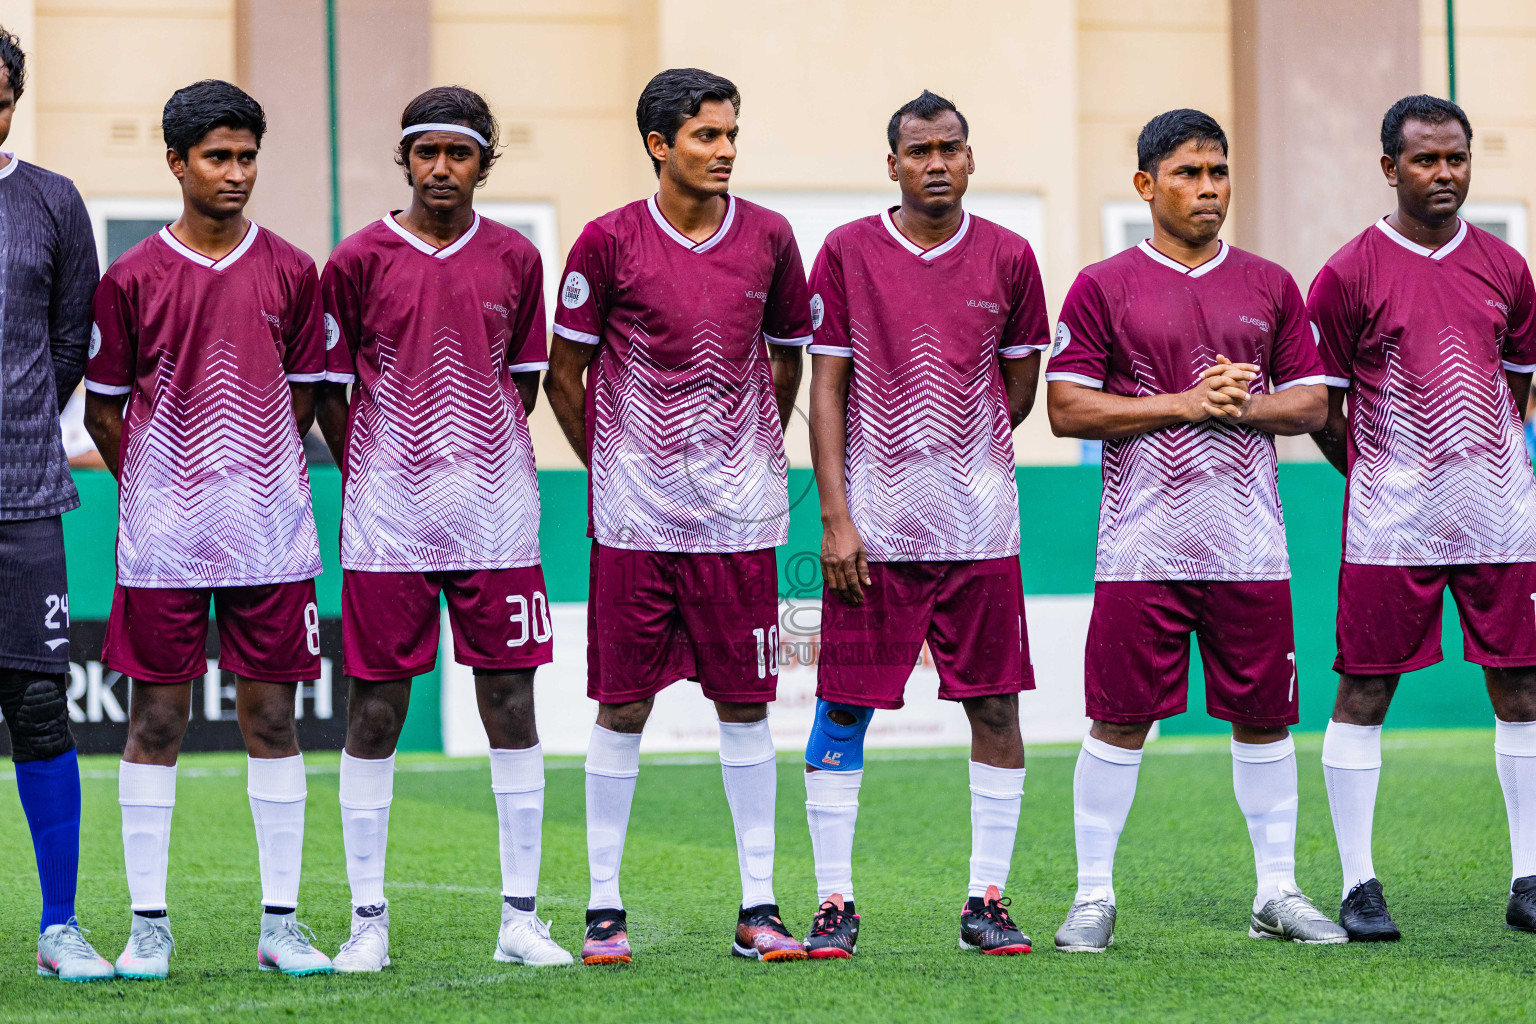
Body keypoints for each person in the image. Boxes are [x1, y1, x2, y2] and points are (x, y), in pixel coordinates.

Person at [1046, 109, 1345, 952]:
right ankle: (1093, 896)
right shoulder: (1104, 286)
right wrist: (1185, 402)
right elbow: (1066, 407)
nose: (1208, 188)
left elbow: (1313, 400)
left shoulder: (1269, 283)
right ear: (1146, 185)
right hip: (1140, 549)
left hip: (1251, 547)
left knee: (1264, 719)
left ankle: (1277, 891)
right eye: (1188, 173)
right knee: (1118, 720)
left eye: (1218, 172)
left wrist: (1240, 404)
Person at [544, 67, 812, 965]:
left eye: (731, 134)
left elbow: (785, 362)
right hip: (633, 527)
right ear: (660, 144)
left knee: (746, 705)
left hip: (739, 525)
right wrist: (622, 468)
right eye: (706, 135)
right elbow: (563, 377)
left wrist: (742, 457)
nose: (725, 150)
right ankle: (603, 909)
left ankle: (760, 908)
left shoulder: (772, 238)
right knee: (622, 706)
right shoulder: (606, 242)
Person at [314, 86, 570, 971]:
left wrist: (473, 463)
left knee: (510, 704)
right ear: (406, 158)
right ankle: (367, 920)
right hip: (387, 524)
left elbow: (524, 385)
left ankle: (520, 920)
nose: (441, 168)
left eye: (459, 153)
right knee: (376, 709)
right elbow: (329, 395)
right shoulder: (354, 259)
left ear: (483, 163)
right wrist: (382, 472)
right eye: (426, 152)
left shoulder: (517, 258)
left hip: (496, 518)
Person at [83, 80, 332, 978]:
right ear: (177, 163)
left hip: (270, 534)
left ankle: (282, 925)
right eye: (217, 157)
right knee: (155, 721)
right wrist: (166, 489)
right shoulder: (130, 280)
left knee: (272, 718)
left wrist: (249, 478)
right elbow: (107, 418)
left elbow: (304, 398)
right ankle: (148, 925)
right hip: (164, 542)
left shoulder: (295, 271)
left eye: (247, 156)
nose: (235, 173)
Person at [798, 91, 1045, 959]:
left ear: (970, 159)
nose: (936, 162)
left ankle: (988, 899)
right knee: (841, 708)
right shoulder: (845, 253)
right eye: (919, 150)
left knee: (996, 708)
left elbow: (1014, 393)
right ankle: (834, 901)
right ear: (892, 163)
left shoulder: (1012, 258)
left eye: (951, 148)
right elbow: (824, 390)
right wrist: (837, 515)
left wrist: (958, 456)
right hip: (874, 536)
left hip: (980, 534)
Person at [1309, 94, 1536, 940]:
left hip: (1501, 520)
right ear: (1389, 168)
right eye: (1426, 161)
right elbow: (1320, 409)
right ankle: (1360, 884)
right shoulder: (1347, 273)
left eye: (1457, 159)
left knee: (1522, 684)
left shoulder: (1508, 268)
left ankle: (1530, 878)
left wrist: (1477, 463)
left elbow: (1515, 386)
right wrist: (1384, 470)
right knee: (1365, 687)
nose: (1445, 175)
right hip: (1390, 521)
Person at [0, 26, 113, 982]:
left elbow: (68, 347)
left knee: (39, 706)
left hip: (22, 495)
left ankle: (60, 926)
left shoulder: (52, 202)